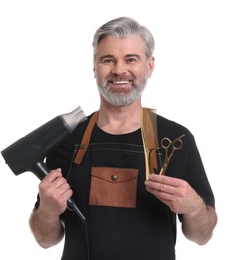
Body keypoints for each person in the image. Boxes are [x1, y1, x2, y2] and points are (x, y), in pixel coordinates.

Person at [29, 16, 217, 260]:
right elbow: (46, 239)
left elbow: (202, 235)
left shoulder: (175, 138)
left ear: (149, 66)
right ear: (95, 67)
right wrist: (47, 211)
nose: (119, 70)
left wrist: (193, 206)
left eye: (131, 59)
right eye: (108, 60)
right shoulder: (66, 140)